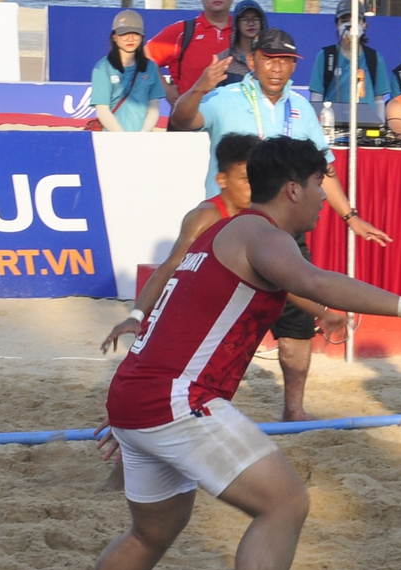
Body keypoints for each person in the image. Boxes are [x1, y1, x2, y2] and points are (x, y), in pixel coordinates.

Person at [59, 137, 401, 570]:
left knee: (152, 532)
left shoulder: (221, 231)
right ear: (293, 188)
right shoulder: (263, 234)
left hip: (137, 393)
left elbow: (275, 293)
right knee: (284, 503)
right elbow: (315, 281)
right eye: (320, 187)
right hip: (175, 397)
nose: (325, 202)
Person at [169, 27, 392, 419]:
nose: (277, 68)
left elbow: (322, 172)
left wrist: (351, 217)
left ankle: (294, 409)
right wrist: (199, 88)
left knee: (296, 321)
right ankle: (193, 399)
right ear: (252, 60)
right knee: (216, 317)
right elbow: (180, 122)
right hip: (231, 225)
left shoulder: (301, 109)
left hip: (283, 227)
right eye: (269, 59)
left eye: (286, 61)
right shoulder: (225, 97)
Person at [102, 134, 349, 421]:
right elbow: (170, 267)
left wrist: (322, 313)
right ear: (222, 180)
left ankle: (294, 409)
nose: (251, 186)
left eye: (253, 178)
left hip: (253, 293)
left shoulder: (265, 222)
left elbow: (286, 281)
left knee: (295, 328)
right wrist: (137, 313)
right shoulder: (206, 217)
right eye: (244, 178)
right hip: (207, 309)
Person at [146, 0, 236, 99]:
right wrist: (166, 90)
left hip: (233, 114)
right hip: (189, 113)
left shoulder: (242, 31)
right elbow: (145, 56)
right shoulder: (183, 31)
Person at [90, 10, 167, 132]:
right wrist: (123, 138)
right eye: (124, 33)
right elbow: (102, 110)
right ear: (114, 37)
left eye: (136, 34)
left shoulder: (150, 67)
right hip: (112, 138)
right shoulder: (102, 68)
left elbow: (154, 107)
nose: (130, 38)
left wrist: (143, 135)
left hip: (142, 139)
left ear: (142, 37)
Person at [307, 0, 386, 107]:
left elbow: (379, 99)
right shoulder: (325, 56)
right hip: (333, 121)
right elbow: (317, 96)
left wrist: (380, 123)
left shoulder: (375, 58)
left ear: (364, 24)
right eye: (344, 21)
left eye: (355, 20)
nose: (350, 25)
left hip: (368, 122)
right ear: (337, 25)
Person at [218, 0, 267, 85]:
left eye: (255, 19)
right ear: (236, 24)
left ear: (262, 23)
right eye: (245, 19)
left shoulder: (271, 57)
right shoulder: (224, 59)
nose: (251, 23)